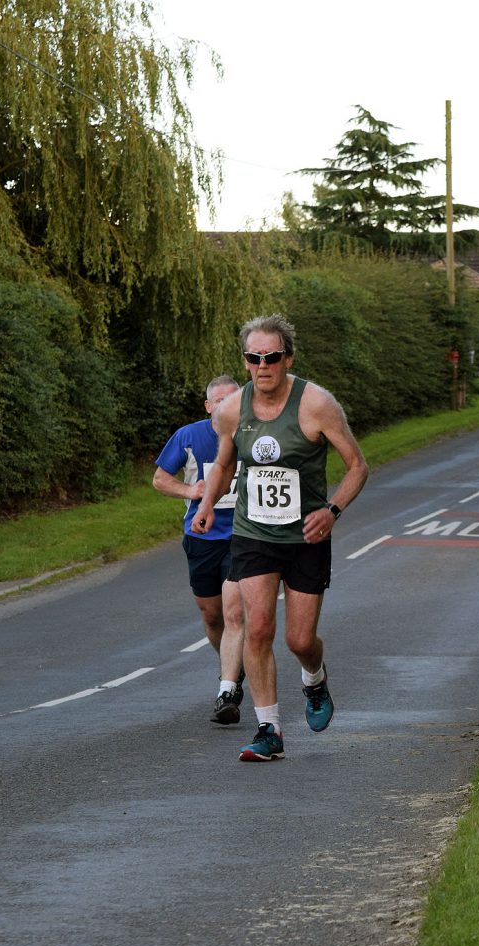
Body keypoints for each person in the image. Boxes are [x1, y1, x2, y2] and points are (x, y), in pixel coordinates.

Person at [192, 313, 369, 762]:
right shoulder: (232, 410)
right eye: (254, 357)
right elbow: (227, 465)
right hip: (253, 534)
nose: (262, 365)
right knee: (258, 630)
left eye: (271, 357)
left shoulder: (317, 405)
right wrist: (209, 504)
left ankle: (314, 678)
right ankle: (269, 730)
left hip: (306, 536)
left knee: (299, 641)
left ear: (287, 358)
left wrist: (331, 511)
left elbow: (358, 467)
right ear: (246, 361)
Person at [153, 375, 246, 724]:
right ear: (208, 406)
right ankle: (231, 665)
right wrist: (191, 493)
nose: (224, 406)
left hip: (244, 537)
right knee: (212, 616)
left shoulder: (252, 435)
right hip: (202, 537)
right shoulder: (189, 436)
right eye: (218, 401)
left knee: (236, 613)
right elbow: (160, 478)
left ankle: (228, 689)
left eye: (232, 399)